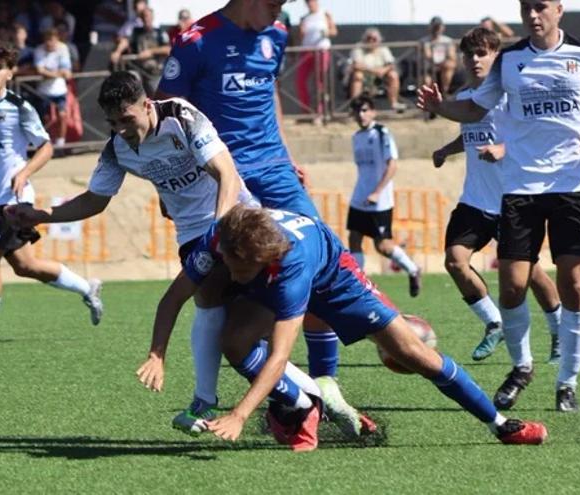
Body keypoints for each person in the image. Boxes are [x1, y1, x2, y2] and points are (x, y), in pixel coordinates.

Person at [145, 205, 549, 450]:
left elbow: (282, 353)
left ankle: (500, 425)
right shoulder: (221, 238)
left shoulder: (290, 268)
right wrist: (157, 353)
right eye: (231, 264)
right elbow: (172, 298)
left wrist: (239, 415)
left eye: (241, 269)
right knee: (234, 340)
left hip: (336, 280)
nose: (232, 274)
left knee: (415, 356)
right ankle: (306, 405)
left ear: (262, 259)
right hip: (288, 268)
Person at [156, 0, 365, 437]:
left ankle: (327, 383)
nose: (280, 11)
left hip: (275, 171)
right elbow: (166, 111)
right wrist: (174, 178)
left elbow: (269, 94)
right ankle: (284, 400)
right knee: (223, 290)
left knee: (323, 261)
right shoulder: (196, 41)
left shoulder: (277, 34)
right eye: (274, 2)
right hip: (224, 175)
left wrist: (286, 157)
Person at [7, 72, 258, 436]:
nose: (121, 128)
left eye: (127, 119)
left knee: (259, 314)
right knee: (210, 303)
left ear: (147, 104)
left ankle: (297, 392)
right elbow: (95, 200)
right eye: (113, 122)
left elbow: (228, 176)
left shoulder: (181, 117)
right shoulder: (117, 148)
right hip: (191, 232)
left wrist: (219, 231)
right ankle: (216, 400)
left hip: (236, 214)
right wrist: (42, 215)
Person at [418, 0, 580, 412]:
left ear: (559, 9)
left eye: (540, 7)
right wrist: (440, 106)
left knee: (574, 283)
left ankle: (567, 382)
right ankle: (522, 367)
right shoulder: (511, 60)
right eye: (526, 8)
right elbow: (474, 108)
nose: (533, 16)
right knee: (514, 283)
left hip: (573, 184)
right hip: (522, 186)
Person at [0, 40, 102, 345]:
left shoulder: (19, 108)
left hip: (14, 200)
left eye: (0, 66)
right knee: (25, 266)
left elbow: (46, 147)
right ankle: (87, 288)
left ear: (10, 73)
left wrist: (24, 173)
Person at [430, 27, 562, 363]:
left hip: (512, 201)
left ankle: (560, 327)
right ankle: (493, 322)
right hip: (475, 199)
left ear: (496, 56)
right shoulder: (463, 99)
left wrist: (505, 148)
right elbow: (472, 133)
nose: (475, 60)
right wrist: (447, 148)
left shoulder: (511, 96)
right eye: (469, 54)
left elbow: (535, 134)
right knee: (455, 261)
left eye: (482, 53)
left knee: (529, 273)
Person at [347, 94, 421, 296]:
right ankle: (359, 284)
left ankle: (413, 269)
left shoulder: (381, 133)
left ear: (373, 111)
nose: (361, 115)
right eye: (357, 111)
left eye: (365, 110)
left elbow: (393, 164)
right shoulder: (356, 137)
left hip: (378, 201)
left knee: (383, 246)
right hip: (359, 197)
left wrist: (377, 191)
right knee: (354, 237)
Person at [110, 7, 170, 94]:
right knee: (131, 82)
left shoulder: (160, 33)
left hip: (155, 73)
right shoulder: (136, 32)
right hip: (138, 71)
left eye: (148, 16)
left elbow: (168, 49)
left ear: (152, 17)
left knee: (158, 96)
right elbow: (125, 41)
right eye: (144, 16)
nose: (146, 18)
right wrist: (117, 52)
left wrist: (151, 52)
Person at [347, 28, 405, 112]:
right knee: (357, 75)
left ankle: (394, 104)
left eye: (374, 39)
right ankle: (355, 106)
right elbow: (356, 65)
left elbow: (391, 64)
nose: (371, 41)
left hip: (380, 78)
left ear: (379, 40)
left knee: (393, 75)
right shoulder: (358, 47)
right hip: (364, 77)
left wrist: (384, 70)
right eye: (368, 38)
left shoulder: (383, 48)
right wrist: (374, 70)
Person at [295, 0, 336, 118]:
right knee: (300, 81)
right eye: (307, 1)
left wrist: (326, 32)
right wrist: (301, 32)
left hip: (321, 50)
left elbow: (334, 31)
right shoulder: (304, 18)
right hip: (306, 51)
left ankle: (320, 111)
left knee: (319, 82)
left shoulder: (325, 14)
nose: (310, 3)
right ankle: (305, 111)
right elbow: (301, 37)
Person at [33, 28, 71, 149]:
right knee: (45, 118)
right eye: (48, 40)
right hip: (43, 90)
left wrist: (49, 73)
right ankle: (47, 143)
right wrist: (56, 74)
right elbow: (40, 70)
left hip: (59, 89)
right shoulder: (38, 50)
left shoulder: (63, 48)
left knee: (62, 115)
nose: (50, 43)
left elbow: (67, 71)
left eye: (52, 40)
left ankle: (61, 142)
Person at [420, 16, 457, 96]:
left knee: (449, 66)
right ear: (430, 27)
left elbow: (452, 56)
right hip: (428, 69)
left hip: (444, 67)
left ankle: (445, 92)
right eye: (434, 27)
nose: (436, 29)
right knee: (426, 82)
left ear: (442, 27)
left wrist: (443, 62)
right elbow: (428, 55)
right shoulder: (424, 41)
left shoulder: (448, 41)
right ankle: (428, 101)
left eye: (438, 26)